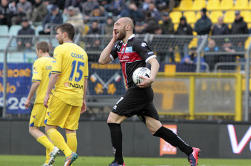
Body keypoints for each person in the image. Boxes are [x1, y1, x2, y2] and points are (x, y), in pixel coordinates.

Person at [98, 17, 200, 166]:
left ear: (127, 27)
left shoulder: (138, 43)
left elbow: (154, 62)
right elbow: (102, 60)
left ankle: (118, 162)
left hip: (138, 90)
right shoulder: (119, 46)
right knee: (155, 128)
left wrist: (151, 78)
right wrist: (112, 40)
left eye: (118, 24)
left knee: (112, 120)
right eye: (114, 24)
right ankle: (190, 151)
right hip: (140, 93)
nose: (114, 27)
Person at [43, 23, 88, 166]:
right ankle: (70, 164)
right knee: (71, 131)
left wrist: (47, 94)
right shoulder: (82, 52)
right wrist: (83, 99)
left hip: (62, 94)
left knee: (49, 127)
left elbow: (55, 74)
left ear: (64, 34)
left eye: (57, 33)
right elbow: (85, 79)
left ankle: (68, 154)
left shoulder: (60, 49)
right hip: (77, 96)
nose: (56, 36)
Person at [24, 41, 60, 166]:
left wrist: (28, 98)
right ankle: (48, 162)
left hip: (41, 101)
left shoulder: (39, 62)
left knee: (33, 129)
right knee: (49, 130)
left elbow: (36, 82)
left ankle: (52, 147)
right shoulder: (55, 61)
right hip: (54, 101)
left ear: (39, 50)